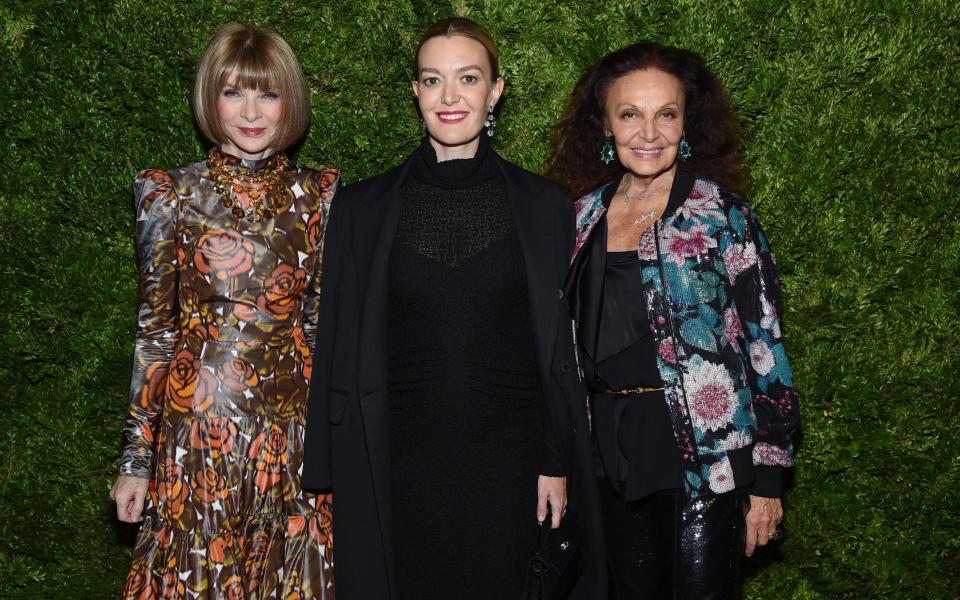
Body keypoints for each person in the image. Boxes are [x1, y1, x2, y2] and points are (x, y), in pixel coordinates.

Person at [301, 17, 604, 600]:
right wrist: (327, 470)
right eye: (432, 80)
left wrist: (555, 458)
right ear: (415, 92)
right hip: (395, 458)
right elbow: (335, 340)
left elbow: (558, 349)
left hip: (509, 465)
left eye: (467, 78)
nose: (449, 96)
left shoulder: (544, 207)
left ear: (495, 91)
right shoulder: (362, 209)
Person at [547, 42, 800, 599]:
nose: (649, 132)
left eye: (666, 113)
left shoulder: (722, 215)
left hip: (705, 456)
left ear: (687, 123)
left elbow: (766, 347)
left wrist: (769, 480)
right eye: (629, 114)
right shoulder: (576, 219)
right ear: (605, 126)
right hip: (606, 453)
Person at [110, 23, 338, 599]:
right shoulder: (168, 194)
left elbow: (322, 326)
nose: (251, 111)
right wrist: (137, 459)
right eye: (234, 91)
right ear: (211, 98)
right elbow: (156, 333)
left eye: (268, 92)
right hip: (195, 440)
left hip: (293, 443)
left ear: (291, 100)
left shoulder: (324, 195)